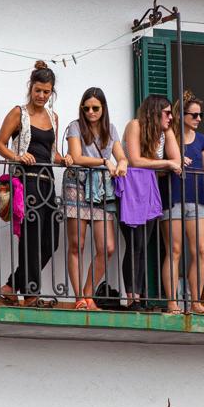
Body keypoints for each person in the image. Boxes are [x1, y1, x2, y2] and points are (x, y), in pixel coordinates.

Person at [0, 61, 71, 307]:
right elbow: (0, 144)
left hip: (48, 184)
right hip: (26, 183)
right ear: (31, 88)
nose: (41, 95)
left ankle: (11, 285)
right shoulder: (19, 113)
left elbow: (51, 153)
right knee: (31, 239)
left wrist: (65, 158)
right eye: (38, 90)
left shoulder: (54, 117)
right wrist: (17, 156)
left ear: (51, 92)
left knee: (51, 242)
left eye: (46, 92)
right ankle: (30, 295)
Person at [161, 91, 204, 314]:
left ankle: (196, 302)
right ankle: (172, 302)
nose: (199, 119)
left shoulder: (202, 140)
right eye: (195, 115)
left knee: (200, 250)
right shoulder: (169, 136)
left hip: (197, 199)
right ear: (182, 115)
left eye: (201, 115)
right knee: (175, 251)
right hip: (173, 198)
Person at [62, 87, 127, 310]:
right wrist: (103, 162)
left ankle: (88, 295)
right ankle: (80, 297)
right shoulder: (75, 126)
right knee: (76, 244)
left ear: (103, 108)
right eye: (86, 107)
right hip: (77, 185)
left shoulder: (111, 129)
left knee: (107, 247)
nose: (90, 112)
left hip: (101, 191)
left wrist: (123, 163)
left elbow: (121, 155)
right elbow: (77, 157)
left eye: (95, 108)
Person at [117, 95, 180, 311]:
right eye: (167, 113)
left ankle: (140, 296)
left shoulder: (164, 132)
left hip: (150, 187)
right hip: (133, 187)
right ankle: (132, 297)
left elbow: (177, 160)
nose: (171, 117)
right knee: (135, 243)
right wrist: (166, 163)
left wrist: (168, 137)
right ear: (154, 111)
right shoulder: (136, 125)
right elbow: (135, 160)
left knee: (144, 244)